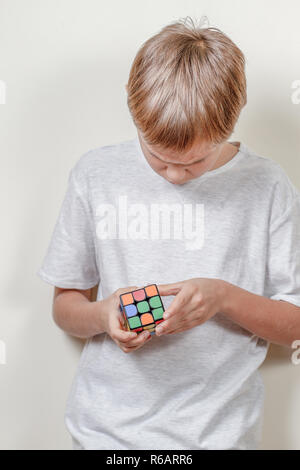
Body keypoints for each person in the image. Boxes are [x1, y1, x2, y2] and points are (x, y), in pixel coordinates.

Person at [37, 16, 300, 450]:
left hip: (220, 437)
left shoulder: (268, 186)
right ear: (132, 104)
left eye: (195, 162)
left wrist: (221, 297)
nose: (175, 176)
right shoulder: (96, 174)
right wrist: (104, 315)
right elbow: (65, 306)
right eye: (157, 158)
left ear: (232, 119)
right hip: (105, 435)